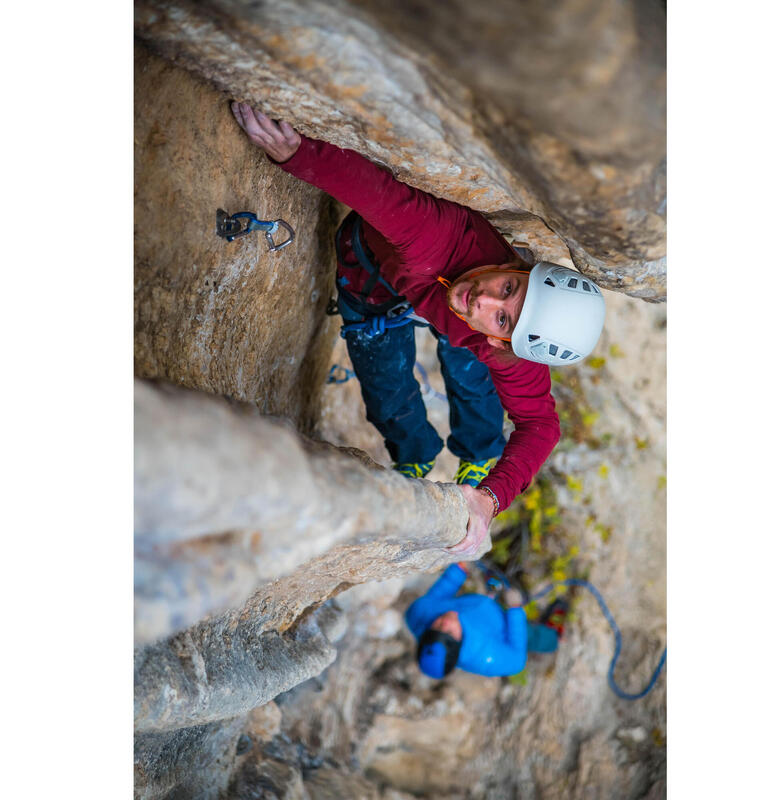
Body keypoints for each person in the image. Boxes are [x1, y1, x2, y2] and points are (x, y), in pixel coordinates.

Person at [230, 102, 605, 556]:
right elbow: (379, 195)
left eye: (503, 317)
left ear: (503, 339)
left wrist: (491, 497)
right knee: (384, 375)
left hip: (451, 318)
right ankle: (412, 454)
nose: (485, 297)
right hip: (374, 276)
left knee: (473, 369)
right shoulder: (438, 239)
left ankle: (478, 454)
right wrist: (297, 153)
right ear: (516, 266)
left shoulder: (503, 346)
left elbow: (541, 424)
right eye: (509, 286)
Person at [405, 563, 568, 678]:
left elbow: (436, 597)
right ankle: (554, 636)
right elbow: (517, 658)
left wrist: (459, 569)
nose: (445, 622)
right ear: (459, 643)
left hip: (475, 606)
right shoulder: (485, 658)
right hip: (502, 628)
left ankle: (493, 590)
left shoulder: (418, 616)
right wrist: (515, 611)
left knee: (492, 584)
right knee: (532, 637)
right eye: (449, 631)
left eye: (437, 626)